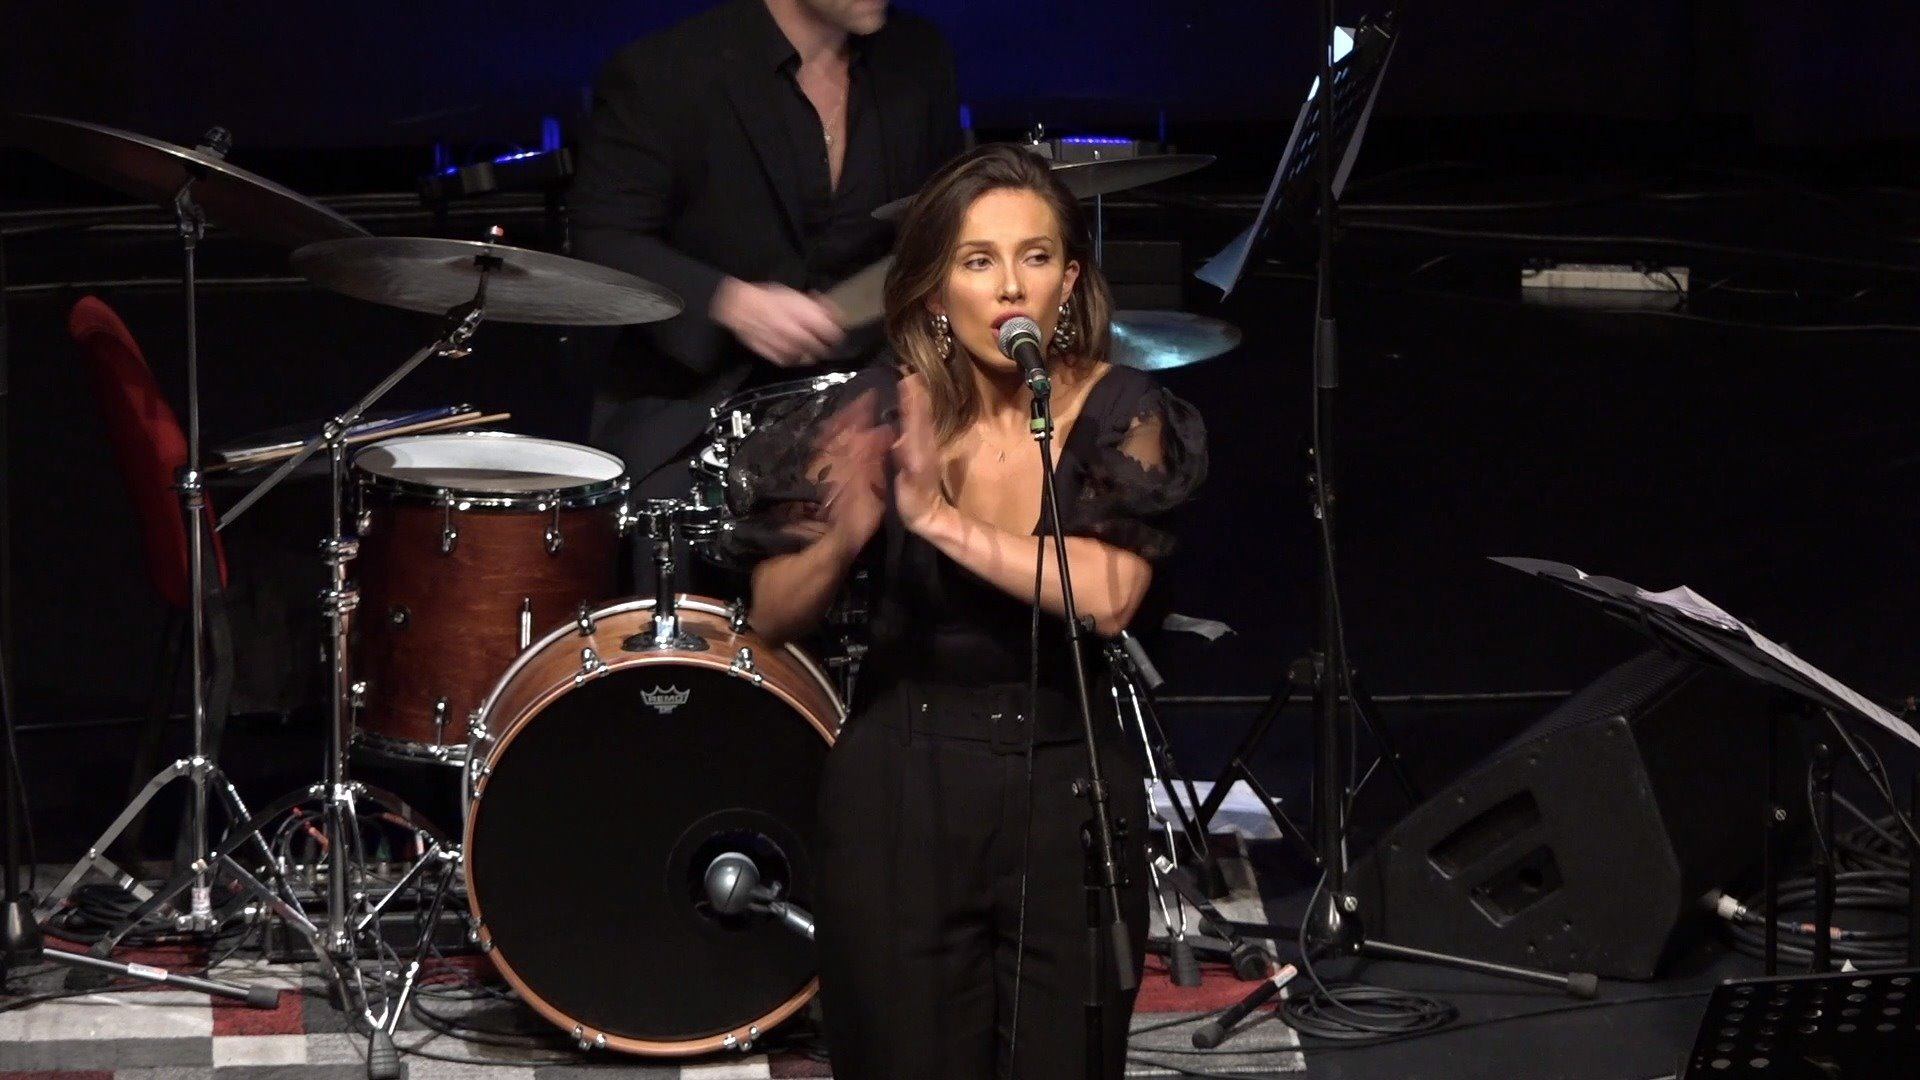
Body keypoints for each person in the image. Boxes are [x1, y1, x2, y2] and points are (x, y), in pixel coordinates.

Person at [723, 144, 1208, 1079]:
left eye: (1035, 257)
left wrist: (940, 522)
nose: (1010, 286)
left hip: (1067, 785)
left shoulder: (1125, 408)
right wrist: (839, 535)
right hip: (903, 785)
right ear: (937, 290)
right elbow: (771, 615)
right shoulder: (881, 407)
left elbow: (1109, 596)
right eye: (979, 261)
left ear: (1070, 282)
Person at [570, 0, 964, 532]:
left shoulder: (918, 58)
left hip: (870, 392)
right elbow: (603, 241)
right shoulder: (665, 71)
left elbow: (940, 227)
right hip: (698, 405)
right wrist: (729, 303)